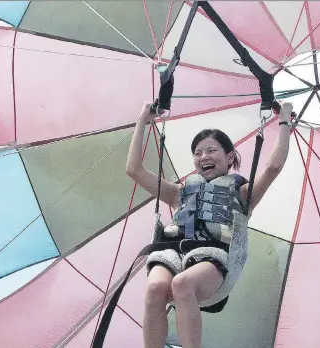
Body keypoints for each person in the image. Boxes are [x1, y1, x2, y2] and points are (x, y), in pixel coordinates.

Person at [125, 101, 293, 348]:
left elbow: (273, 167)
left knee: (182, 284)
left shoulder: (243, 194)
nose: (204, 156)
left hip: (215, 259)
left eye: (211, 150)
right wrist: (143, 119)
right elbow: (133, 169)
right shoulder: (177, 194)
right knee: (155, 288)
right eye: (197, 153)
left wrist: (284, 120)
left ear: (229, 157)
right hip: (174, 253)